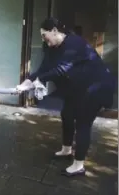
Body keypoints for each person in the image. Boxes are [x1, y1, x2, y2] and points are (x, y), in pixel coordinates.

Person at [16, 17, 116, 177]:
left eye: (44, 35)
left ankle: (78, 165)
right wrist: (26, 82)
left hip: (96, 86)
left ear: (55, 31)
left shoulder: (74, 44)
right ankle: (66, 149)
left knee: (83, 122)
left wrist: (37, 82)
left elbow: (62, 69)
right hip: (78, 87)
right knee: (67, 114)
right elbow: (44, 68)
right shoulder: (50, 47)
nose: (43, 39)